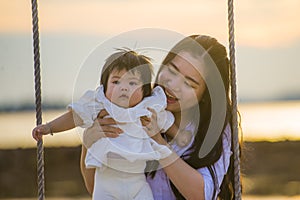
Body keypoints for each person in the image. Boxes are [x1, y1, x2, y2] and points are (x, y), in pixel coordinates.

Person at [80, 35, 238, 200]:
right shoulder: (132, 112)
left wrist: (158, 140)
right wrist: (88, 145)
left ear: (205, 95)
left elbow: (201, 194)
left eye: (189, 83)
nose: (173, 85)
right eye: (171, 70)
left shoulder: (214, 131)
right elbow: (98, 190)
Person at [32, 49, 178, 200]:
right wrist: (48, 127)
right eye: (116, 81)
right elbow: (74, 116)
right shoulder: (99, 105)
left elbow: (167, 122)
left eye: (132, 83)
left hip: (137, 183)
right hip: (106, 182)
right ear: (104, 87)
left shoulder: (147, 109)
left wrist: (183, 136)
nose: (124, 87)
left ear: (144, 91)